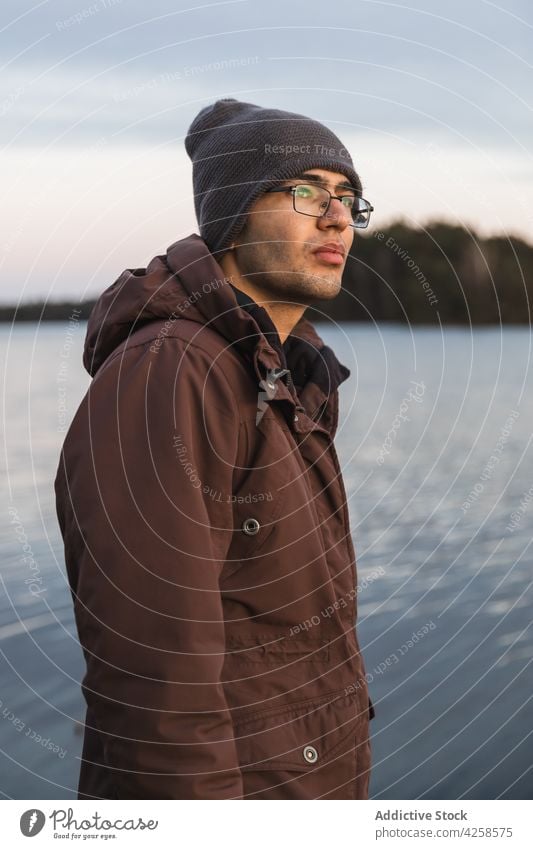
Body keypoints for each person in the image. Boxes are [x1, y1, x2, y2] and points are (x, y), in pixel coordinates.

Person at [55, 98, 375, 800]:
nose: (336, 217)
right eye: (305, 191)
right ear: (231, 215)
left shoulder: (285, 378)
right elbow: (155, 680)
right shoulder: (169, 374)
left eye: (349, 198)